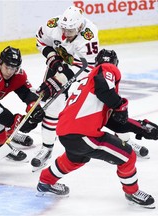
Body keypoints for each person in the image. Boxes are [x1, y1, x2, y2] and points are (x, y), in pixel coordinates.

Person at [36, 49, 157, 209]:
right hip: (82, 134)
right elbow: (104, 87)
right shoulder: (105, 70)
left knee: (75, 158)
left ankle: (45, 181)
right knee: (128, 156)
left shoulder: (88, 84)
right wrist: (121, 104)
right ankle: (132, 192)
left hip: (68, 132)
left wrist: (140, 128)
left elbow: (112, 120)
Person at [31, 5, 149, 171]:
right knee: (53, 109)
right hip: (58, 64)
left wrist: (61, 78)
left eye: (70, 30)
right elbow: (40, 41)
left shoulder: (89, 36)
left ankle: (125, 141)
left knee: (101, 107)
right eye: (64, 29)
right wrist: (52, 58)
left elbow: (87, 67)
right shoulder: (53, 25)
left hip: (81, 70)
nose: (65, 34)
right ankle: (46, 148)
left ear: (79, 27)